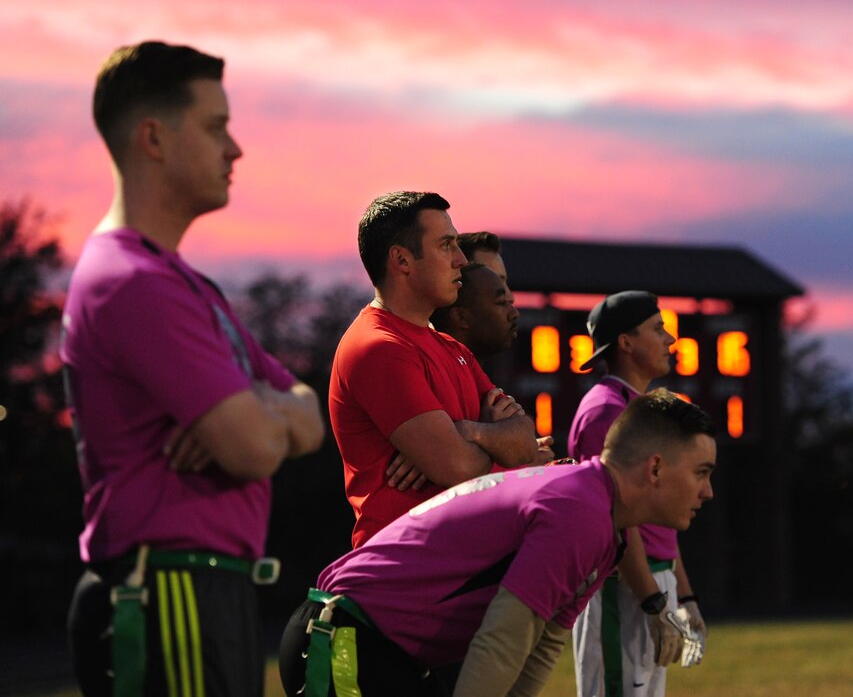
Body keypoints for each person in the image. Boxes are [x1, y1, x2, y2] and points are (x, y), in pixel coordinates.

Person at [61, 41, 325, 697]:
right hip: (165, 592)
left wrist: (259, 406)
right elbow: (258, 447)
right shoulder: (133, 283)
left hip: (200, 589)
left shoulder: (185, 285)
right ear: (152, 137)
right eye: (215, 127)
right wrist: (263, 415)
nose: (234, 149)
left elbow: (310, 412)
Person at [280, 388, 716, 696]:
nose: (707, 492)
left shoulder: (603, 521)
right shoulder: (580, 512)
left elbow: (539, 649)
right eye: (701, 473)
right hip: (345, 638)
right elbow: (501, 641)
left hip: (370, 645)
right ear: (655, 468)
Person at [329, 191, 545, 548]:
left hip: (457, 568)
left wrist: (463, 431)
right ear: (402, 260)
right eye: (446, 245)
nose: (461, 260)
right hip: (405, 571)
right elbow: (457, 468)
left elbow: (525, 443)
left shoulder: (452, 348)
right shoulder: (379, 347)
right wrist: (490, 439)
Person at [569, 291, 709, 697]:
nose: (671, 340)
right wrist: (652, 600)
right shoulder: (606, 411)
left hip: (650, 581)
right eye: (658, 328)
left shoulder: (640, 409)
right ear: (626, 343)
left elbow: (661, 517)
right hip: (623, 586)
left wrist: (683, 593)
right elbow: (615, 517)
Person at [431, 261, 519, 360]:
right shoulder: (433, 370)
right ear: (461, 317)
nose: (514, 313)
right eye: (501, 302)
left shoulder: (473, 372)